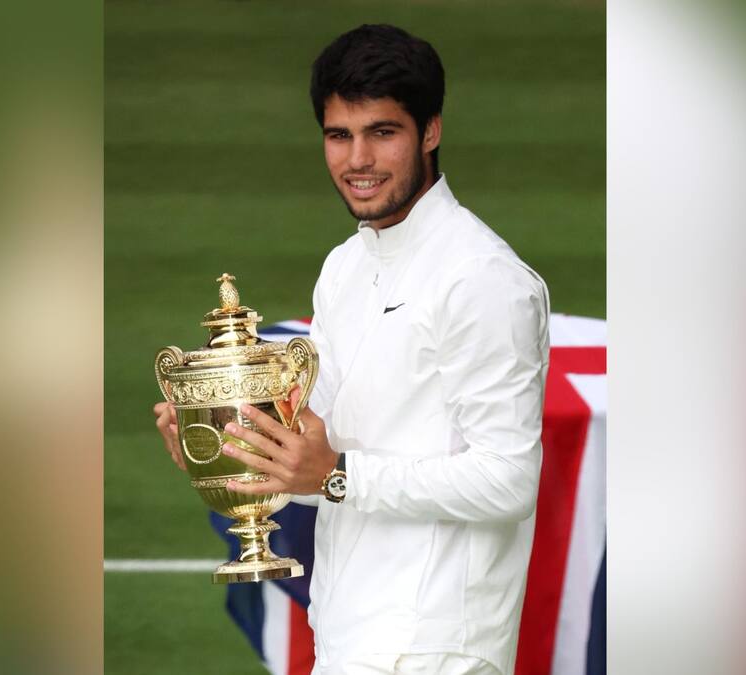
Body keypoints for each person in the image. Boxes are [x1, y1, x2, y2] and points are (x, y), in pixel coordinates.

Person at [155, 24, 550, 675]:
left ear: (430, 131)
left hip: (435, 649)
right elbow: (320, 460)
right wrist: (227, 444)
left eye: (382, 132)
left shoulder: (482, 278)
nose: (358, 159)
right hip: (348, 637)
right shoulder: (343, 267)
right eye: (339, 135)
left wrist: (338, 475)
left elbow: (508, 479)